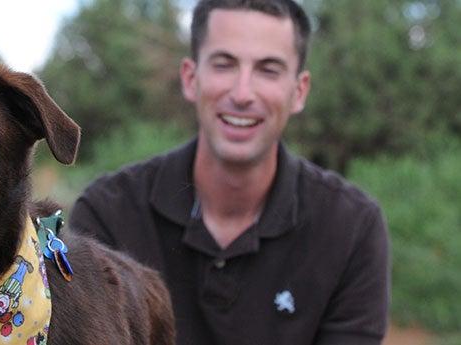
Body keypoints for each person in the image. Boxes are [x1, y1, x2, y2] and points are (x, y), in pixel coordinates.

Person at [68, 0, 390, 344]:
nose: (242, 94)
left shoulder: (353, 228)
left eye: (269, 69)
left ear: (299, 91)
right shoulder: (106, 216)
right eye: (224, 65)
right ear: (191, 79)